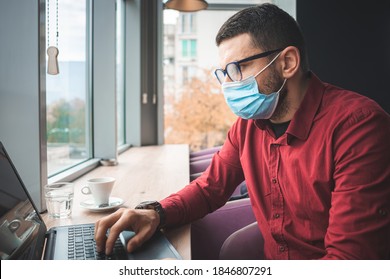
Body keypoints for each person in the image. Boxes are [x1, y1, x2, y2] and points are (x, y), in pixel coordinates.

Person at [95, 3, 390, 259]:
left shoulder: (359, 127)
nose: (229, 84)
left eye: (238, 68)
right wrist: (156, 212)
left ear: (287, 62)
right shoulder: (247, 127)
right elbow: (210, 189)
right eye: (224, 74)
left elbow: (350, 260)